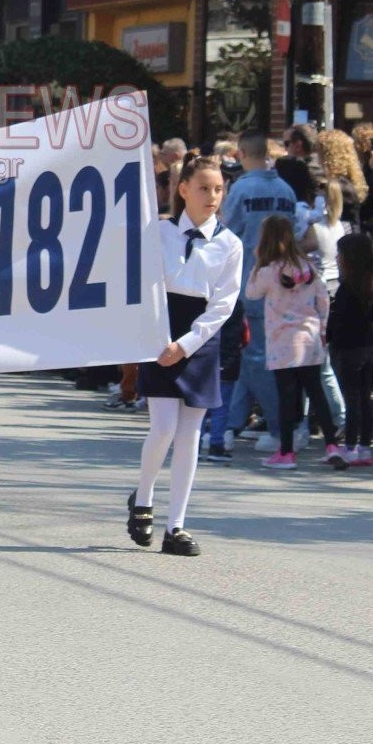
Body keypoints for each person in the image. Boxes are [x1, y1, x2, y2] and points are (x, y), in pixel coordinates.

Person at [128, 154, 238, 557]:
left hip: (200, 337)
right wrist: (160, 338)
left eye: (219, 189)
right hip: (161, 329)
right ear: (184, 189)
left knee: (191, 432)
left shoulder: (230, 243)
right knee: (163, 428)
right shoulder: (159, 233)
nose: (212, 196)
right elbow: (141, 284)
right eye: (204, 187)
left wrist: (188, 344)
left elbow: (224, 304)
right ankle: (142, 498)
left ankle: (176, 525)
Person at [213, 132, 299, 456]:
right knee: (252, 356)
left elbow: (225, 234)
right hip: (282, 282)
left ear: (242, 153)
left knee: (254, 357)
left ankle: (280, 428)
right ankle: (231, 423)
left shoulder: (244, 189)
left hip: (249, 282)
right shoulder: (286, 190)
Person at [248, 214, 337, 469]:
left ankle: (286, 452)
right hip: (309, 339)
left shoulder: (268, 271)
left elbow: (251, 293)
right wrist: (322, 327)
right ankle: (332, 444)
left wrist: (256, 263)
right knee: (316, 392)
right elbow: (323, 300)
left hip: (281, 343)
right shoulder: (307, 266)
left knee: (286, 397)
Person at [328, 231, 373, 468]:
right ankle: (364, 447)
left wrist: (328, 336)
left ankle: (349, 446)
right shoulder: (372, 284)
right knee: (364, 397)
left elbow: (338, 321)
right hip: (368, 346)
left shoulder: (346, 289)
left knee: (351, 399)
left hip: (347, 348)